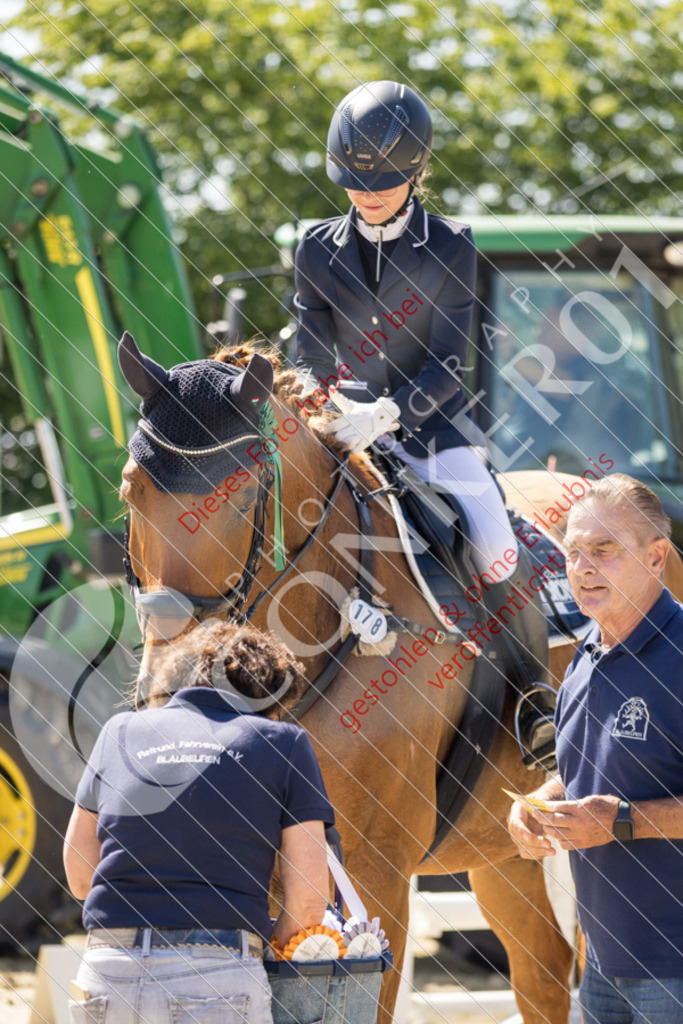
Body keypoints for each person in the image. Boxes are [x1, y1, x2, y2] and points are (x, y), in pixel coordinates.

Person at [293, 79, 553, 765]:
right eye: (354, 183)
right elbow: (308, 353)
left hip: (431, 430)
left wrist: (385, 414)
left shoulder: (451, 245)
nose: (367, 195)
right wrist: (322, 406)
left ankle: (535, 697)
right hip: (343, 430)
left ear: (416, 171)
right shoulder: (314, 247)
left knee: (493, 541)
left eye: (382, 183)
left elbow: (448, 365)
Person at [64, 621, 334, 1024]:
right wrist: (262, 950)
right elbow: (309, 903)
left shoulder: (118, 731)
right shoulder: (283, 743)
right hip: (217, 981)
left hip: (107, 975)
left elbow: (81, 876)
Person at [507, 474, 683, 1022]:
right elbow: (586, 767)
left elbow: (616, 809)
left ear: (656, 557)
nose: (582, 568)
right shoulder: (584, 655)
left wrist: (622, 821)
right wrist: (539, 801)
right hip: (602, 967)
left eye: (603, 550)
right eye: (573, 552)